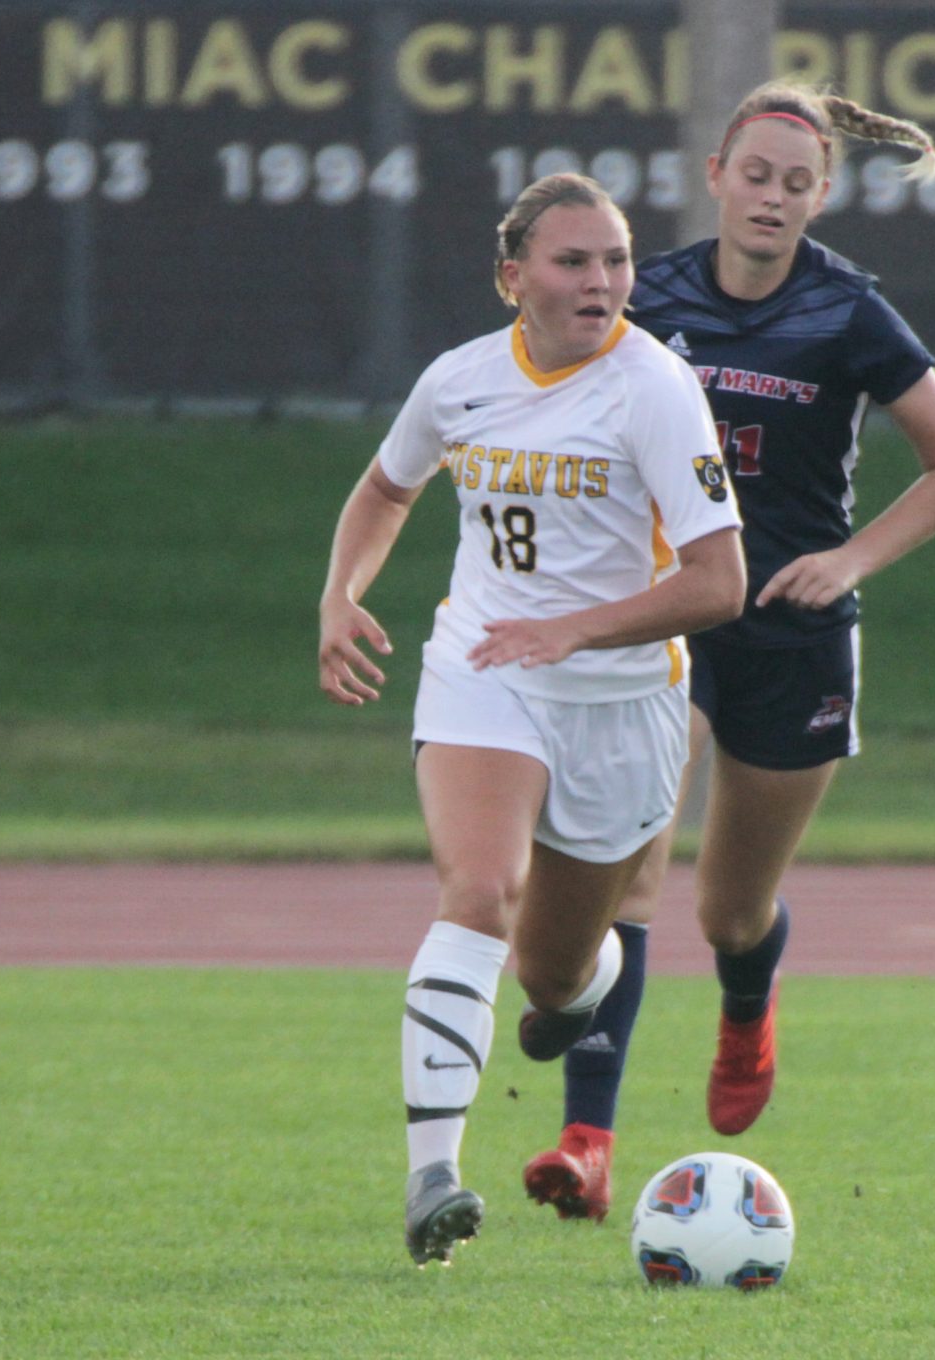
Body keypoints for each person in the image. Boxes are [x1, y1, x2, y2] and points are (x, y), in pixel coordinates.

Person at [520, 82, 935, 1224]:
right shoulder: (649, 295)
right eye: (755, 174)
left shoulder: (850, 314)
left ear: (820, 196)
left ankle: (745, 1000)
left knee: (728, 909)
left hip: (794, 639)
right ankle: (587, 1141)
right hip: (669, 626)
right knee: (632, 866)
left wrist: (851, 561)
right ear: (716, 175)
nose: (772, 196)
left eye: (796, 182)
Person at [316, 172, 746, 1268]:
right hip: (485, 672)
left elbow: (719, 582)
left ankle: (584, 984)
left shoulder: (654, 388)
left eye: (614, 259)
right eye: (572, 261)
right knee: (477, 890)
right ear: (513, 278)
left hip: (621, 707)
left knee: (554, 975)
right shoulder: (459, 380)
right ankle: (431, 1180)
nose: (600, 281)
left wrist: (581, 630)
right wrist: (341, 592)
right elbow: (385, 489)